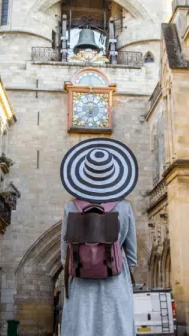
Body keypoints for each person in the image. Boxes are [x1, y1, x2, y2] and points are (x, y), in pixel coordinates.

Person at [58, 138, 139, 336]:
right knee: (116, 326)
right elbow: (132, 255)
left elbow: (63, 254)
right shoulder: (124, 207)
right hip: (116, 282)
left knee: (81, 325)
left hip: (81, 284)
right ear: (115, 177)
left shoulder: (70, 207)